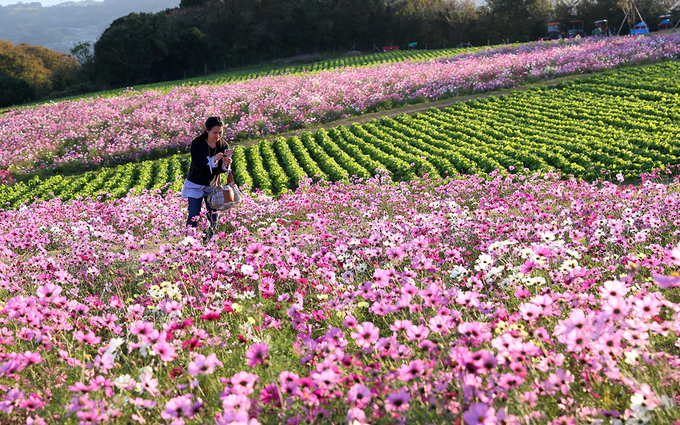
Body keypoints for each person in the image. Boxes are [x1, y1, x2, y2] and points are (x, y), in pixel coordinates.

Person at [181, 116, 233, 239]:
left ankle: (208, 243)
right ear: (207, 130)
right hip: (195, 184)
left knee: (213, 216)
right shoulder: (197, 143)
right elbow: (198, 165)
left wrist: (225, 164)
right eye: (215, 133)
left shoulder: (223, 145)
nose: (218, 136)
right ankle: (189, 244)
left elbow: (220, 170)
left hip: (212, 185)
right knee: (194, 215)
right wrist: (213, 160)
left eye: (220, 132)